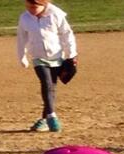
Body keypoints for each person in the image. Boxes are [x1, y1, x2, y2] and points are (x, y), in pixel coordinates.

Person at [17, 0, 76, 132]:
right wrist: (22, 56)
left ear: (43, 4)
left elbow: (67, 34)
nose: (31, 9)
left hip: (56, 57)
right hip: (38, 57)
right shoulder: (25, 18)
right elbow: (21, 38)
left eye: (34, 7)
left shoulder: (55, 14)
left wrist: (71, 54)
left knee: (51, 88)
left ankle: (44, 119)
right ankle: (52, 116)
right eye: (28, 6)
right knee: (46, 83)